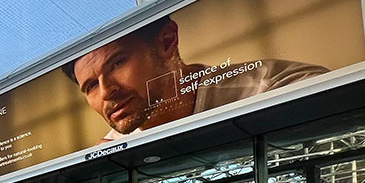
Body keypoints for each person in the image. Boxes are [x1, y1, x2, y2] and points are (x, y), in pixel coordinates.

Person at [62, 15, 328, 142]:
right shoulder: (108, 152)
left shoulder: (274, 89)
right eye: (91, 85)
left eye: (117, 63)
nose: (107, 92)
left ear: (167, 42)